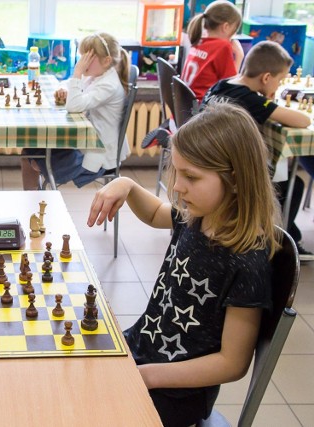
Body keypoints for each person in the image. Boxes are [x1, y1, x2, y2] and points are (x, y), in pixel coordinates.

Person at [87, 102, 280, 427]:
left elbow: (232, 363)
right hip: (142, 350)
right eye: (178, 172)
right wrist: (127, 185)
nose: (177, 186)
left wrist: (149, 376)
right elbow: (152, 213)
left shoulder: (248, 260)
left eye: (191, 176)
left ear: (235, 179)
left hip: (178, 394)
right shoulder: (195, 218)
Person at [202, 40, 313, 258]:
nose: (279, 85)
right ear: (266, 78)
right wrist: (270, 100)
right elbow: (301, 120)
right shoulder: (251, 100)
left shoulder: (222, 85)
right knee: (293, 184)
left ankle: (289, 231)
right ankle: (278, 241)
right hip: (231, 168)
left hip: (211, 157)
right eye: (280, 80)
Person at [21, 32, 130, 190]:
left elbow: (74, 105)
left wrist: (77, 72)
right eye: (82, 57)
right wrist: (64, 89)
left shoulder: (109, 85)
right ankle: (33, 200)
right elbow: (68, 84)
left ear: (106, 61)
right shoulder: (96, 75)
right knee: (28, 151)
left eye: (87, 58)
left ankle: (37, 202)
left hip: (98, 157)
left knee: (31, 156)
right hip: (86, 143)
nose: (82, 62)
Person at [181, 0, 243, 103]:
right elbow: (231, 88)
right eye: (234, 31)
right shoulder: (222, 46)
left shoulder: (199, 41)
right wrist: (239, 56)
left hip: (185, 109)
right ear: (226, 27)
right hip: (203, 112)